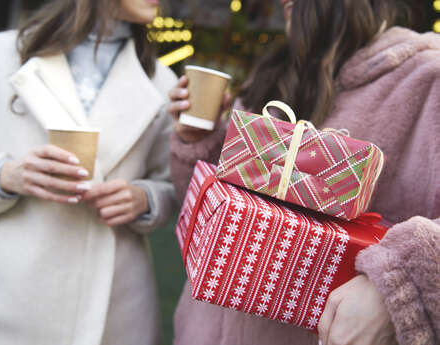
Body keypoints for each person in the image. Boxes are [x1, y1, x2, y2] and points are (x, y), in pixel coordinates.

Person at [168, 0, 440, 344]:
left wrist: (397, 282)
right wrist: (198, 139)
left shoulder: (427, 77)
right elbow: (208, 210)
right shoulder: (274, 73)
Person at [0, 0, 177, 344]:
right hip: (5, 297)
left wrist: (144, 198)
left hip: (114, 303)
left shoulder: (162, 81)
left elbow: (170, 186)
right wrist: (4, 176)